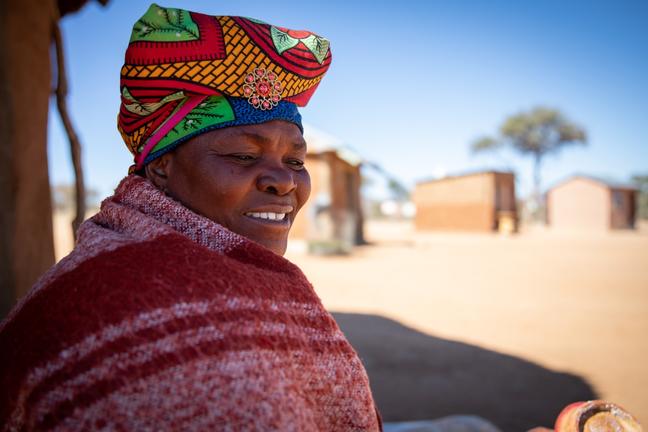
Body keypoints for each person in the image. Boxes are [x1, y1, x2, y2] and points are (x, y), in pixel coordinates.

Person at [0, 4, 382, 430]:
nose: (284, 181)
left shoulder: (246, 274)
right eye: (243, 155)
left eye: (295, 161)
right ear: (162, 166)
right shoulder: (113, 303)